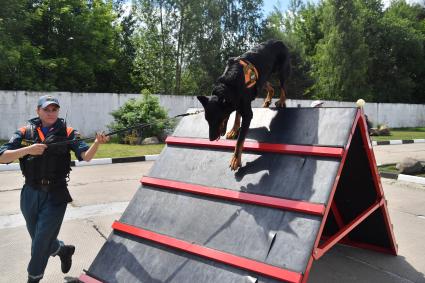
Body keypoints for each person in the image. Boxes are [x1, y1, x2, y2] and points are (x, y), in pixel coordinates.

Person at [0, 95, 109, 282]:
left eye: (54, 109)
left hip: (55, 195)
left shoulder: (68, 132)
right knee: (39, 240)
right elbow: (2, 156)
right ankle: (63, 250)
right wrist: (27, 150)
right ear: (38, 111)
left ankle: (33, 278)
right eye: (46, 109)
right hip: (29, 193)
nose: (51, 113)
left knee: (40, 243)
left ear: (58, 111)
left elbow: (85, 156)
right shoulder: (25, 132)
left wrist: (97, 143)